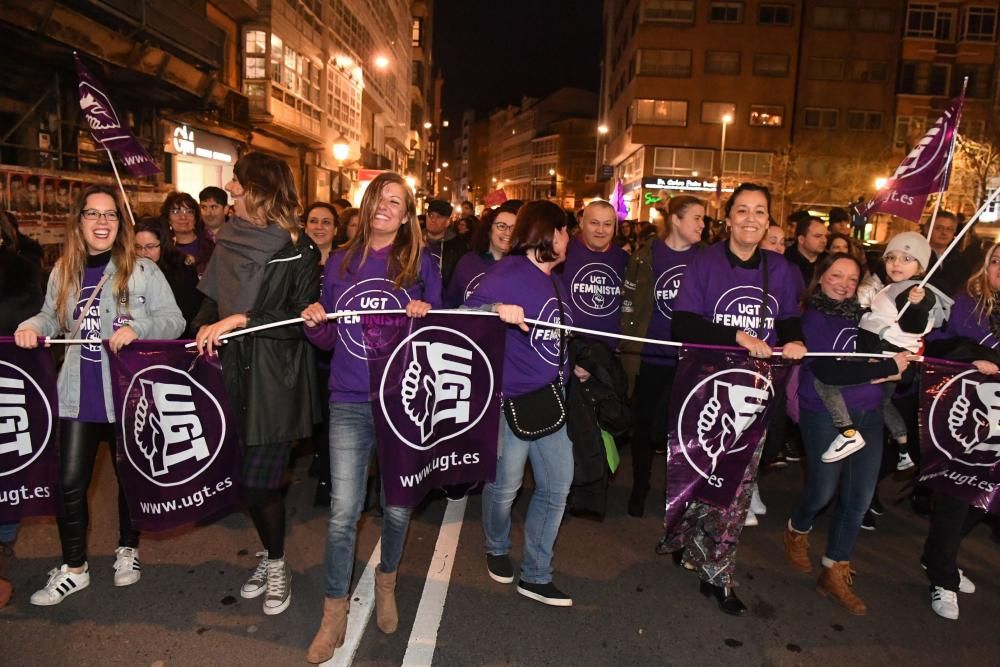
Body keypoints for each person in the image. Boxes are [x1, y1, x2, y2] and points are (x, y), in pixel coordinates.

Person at [15, 185, 185, 606]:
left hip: (129, 393)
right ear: (80, 221)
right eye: (93, 214)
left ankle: (127, 549)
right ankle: (75, 568)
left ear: (119, 223)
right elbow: (51, 317)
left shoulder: (142, 270)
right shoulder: (63, 270)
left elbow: (175, 321)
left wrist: (140, 329)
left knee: (130, 479)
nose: (102, 222)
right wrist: (32, 326)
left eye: (109, 214)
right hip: (77, 393)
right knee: (69, 483)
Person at [301, 172, 440, 664]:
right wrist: (316, 323)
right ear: (366, 206)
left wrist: (427, 312)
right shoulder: (339, 260)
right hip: (350, 399)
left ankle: (387, 582)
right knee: (343, 512)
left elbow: (440, 337)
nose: (385, 207)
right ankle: (332, 611)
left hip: (402, 400)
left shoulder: (421, 262)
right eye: (378, 199)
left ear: (407, 214)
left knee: (399, 505)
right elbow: (329, 341)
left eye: (395, 202)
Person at [660, 182, 807, 616]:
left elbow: (791, 319)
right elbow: (682, 324)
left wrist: (794, 340)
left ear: (768, 221)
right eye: (742, 210)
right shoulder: (703, 262)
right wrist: (738, 336)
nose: (750, 219)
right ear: (727, 218)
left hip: (755, 395)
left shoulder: (780, 269)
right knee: (700, 474)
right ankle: (688, 539)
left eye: (760, 212)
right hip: (703, 390)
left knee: (737, 486)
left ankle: (717, 572)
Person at [194, 152, 322, 616]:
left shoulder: (298, 248)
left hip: (275, 383)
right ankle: (270, 554)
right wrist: (203, 327)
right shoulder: (227, 239)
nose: (230, 190)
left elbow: (298, 318)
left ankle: (278, 565)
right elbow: (210, 301)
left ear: (260, 189)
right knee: (243, 483)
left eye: (238, 183)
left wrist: (241, 318)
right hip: (227, 378)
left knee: (258, 484)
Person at [465, 200, 580, 608]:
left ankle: (536, 574)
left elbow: (549, 332)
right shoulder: (509, 272)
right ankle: (496, 544)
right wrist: (495, 308)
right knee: (505, 484)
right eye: (566, 229)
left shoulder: (555, 278)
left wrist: (570, 363)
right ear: (548, 232)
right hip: (509, 401)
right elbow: (462, 314)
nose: (570, 238)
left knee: (557, 485)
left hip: (552, 400)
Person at [783, 253, 909, 615]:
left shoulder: (866, 317)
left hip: (868, 412)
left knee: (858, 498)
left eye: (852, 279)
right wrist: (883, 369)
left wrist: (903, 357)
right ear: (820, 277)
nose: (844, 284)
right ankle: (797, 527)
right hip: (826, 415)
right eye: (836, 275)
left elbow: (896, 358)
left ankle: (834, 570)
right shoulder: (809, 318)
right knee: (822, 491)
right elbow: (828, 373)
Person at [816, 232, 951, 468]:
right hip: (882, 357)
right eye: (891, 257)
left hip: (886, 358)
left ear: (921, 266)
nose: (896, 263)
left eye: (906, 259)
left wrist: (918, 304)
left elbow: (914, 324)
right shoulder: (895, 286)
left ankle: (847, 433)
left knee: (824, 383)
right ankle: (903, 447)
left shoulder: (914, 291)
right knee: (883, 402)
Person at [919, 243, 1000, 619]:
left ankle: (937, 555)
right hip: (968, 413)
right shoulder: (967, 301)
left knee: (986, 497)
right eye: (996, 260)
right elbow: (940, 344)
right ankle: (942, 577)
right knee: (958, 492)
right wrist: (974, 357)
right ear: (984, 266)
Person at [620, 195, 704, 517]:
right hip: (652, 357)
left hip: (690, 361)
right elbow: (630, 305)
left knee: (682, 433)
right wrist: (629, 350)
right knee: (644, 429)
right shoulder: (645, 257)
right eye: (696, 218)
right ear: (676, 221)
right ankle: (640, 486)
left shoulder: (706, 260)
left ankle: (678, 493)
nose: (701, 225)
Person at [0, 211, 45, 609]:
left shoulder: (21, 270)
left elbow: (34, 315)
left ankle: (4, 535)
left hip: (10, 378)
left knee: (10, 457)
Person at [560, 200, 629, 339]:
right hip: (568, 346)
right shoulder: (562, 253)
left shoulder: (624, 260)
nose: (601, 230)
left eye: (607, 224)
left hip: (612, 351)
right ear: (581, 223)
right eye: (594, 223)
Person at [133, 217, 203, 337]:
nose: (144, 253)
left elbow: (188, 317)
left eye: (150, 247)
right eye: (138, 248)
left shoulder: (183, 268)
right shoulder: (132, 270)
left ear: (163, 244)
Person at [444, 200, 520, 307]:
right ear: (489, 230)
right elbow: (451, 304)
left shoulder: (521, 266)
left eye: (513, 228)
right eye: (501, 226)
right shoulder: (468, 262)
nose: (507, 232)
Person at [162, 191, 215, 278]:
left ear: (195, 219)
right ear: (168, 219)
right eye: (175, 211)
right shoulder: (164, 251)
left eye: (189, 211)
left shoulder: (210, 248)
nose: (183, 217)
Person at [925, 211, 970, 296]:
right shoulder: (916, 256)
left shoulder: (961, 261)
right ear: (927, 229)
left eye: (949, 229)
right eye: (938, 228)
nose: (944, 233)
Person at [424, 199, 466, 288]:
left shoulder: (458, 247)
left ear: (447, 221)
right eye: (430, 215)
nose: (433, 220)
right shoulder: (413, 241)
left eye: (439, 217)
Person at [784, 214, 828, 284]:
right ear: (801, 239)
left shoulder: (829, 262)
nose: (824, 240)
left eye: (826, 236)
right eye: (817, 236)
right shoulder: (785, 262)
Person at [303, 202, 338, 266]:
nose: (319, 227)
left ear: (335, 229)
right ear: (305, 228)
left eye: (326, 222)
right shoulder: (293, 261)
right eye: (313, 221)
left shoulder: (348, 262)